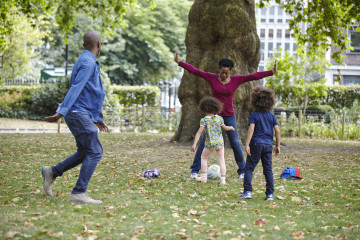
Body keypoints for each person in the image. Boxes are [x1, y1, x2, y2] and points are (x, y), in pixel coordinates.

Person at [174, 50, 277, 180]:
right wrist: (179, 62)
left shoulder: (236, 80)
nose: (223, 75)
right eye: (222, 72)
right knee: (205, 142)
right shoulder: (211, 77)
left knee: (235, 142)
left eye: (226, 73)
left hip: (229, 116)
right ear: (219, 70)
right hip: (213, 116)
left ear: (230, 72)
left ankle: (242, 171)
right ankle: (195, 170)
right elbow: (196, 71)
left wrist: (271, 72)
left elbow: (253, 76)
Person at [42, 31, 108, 205]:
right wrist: (60, 112)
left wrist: (96, 117)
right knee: (95, 151)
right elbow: (76, 88)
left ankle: (52, 172)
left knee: (84, 152)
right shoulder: (88, 62)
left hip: (80, 113)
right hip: (77, 113)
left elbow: (89, 93)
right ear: (99, 44)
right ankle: (79, 192)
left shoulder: (85, 60)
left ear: (84, 44)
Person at [239, 86, 280, 201]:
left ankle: (247, 191)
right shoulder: (271, 115)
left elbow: (251, 129)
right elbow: (277, 130)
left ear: (254, 101)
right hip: (268, 145)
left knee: (249, 168)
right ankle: (270, 194)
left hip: (256, 144)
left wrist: (247, 144)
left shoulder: (254, 114)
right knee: (268, 170)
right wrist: (277, 146)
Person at [191, 97, 235, 185]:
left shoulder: (204, 120)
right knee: (221, 160)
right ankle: (223, 179)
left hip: (210, 143)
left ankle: (204, 177)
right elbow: (225, 127)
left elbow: (199, 133)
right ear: (216, 107)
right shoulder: (219, 118)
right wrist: (230, 127)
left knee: (203, 158)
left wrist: (194, 144)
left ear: (203, 108)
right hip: (219, 143)